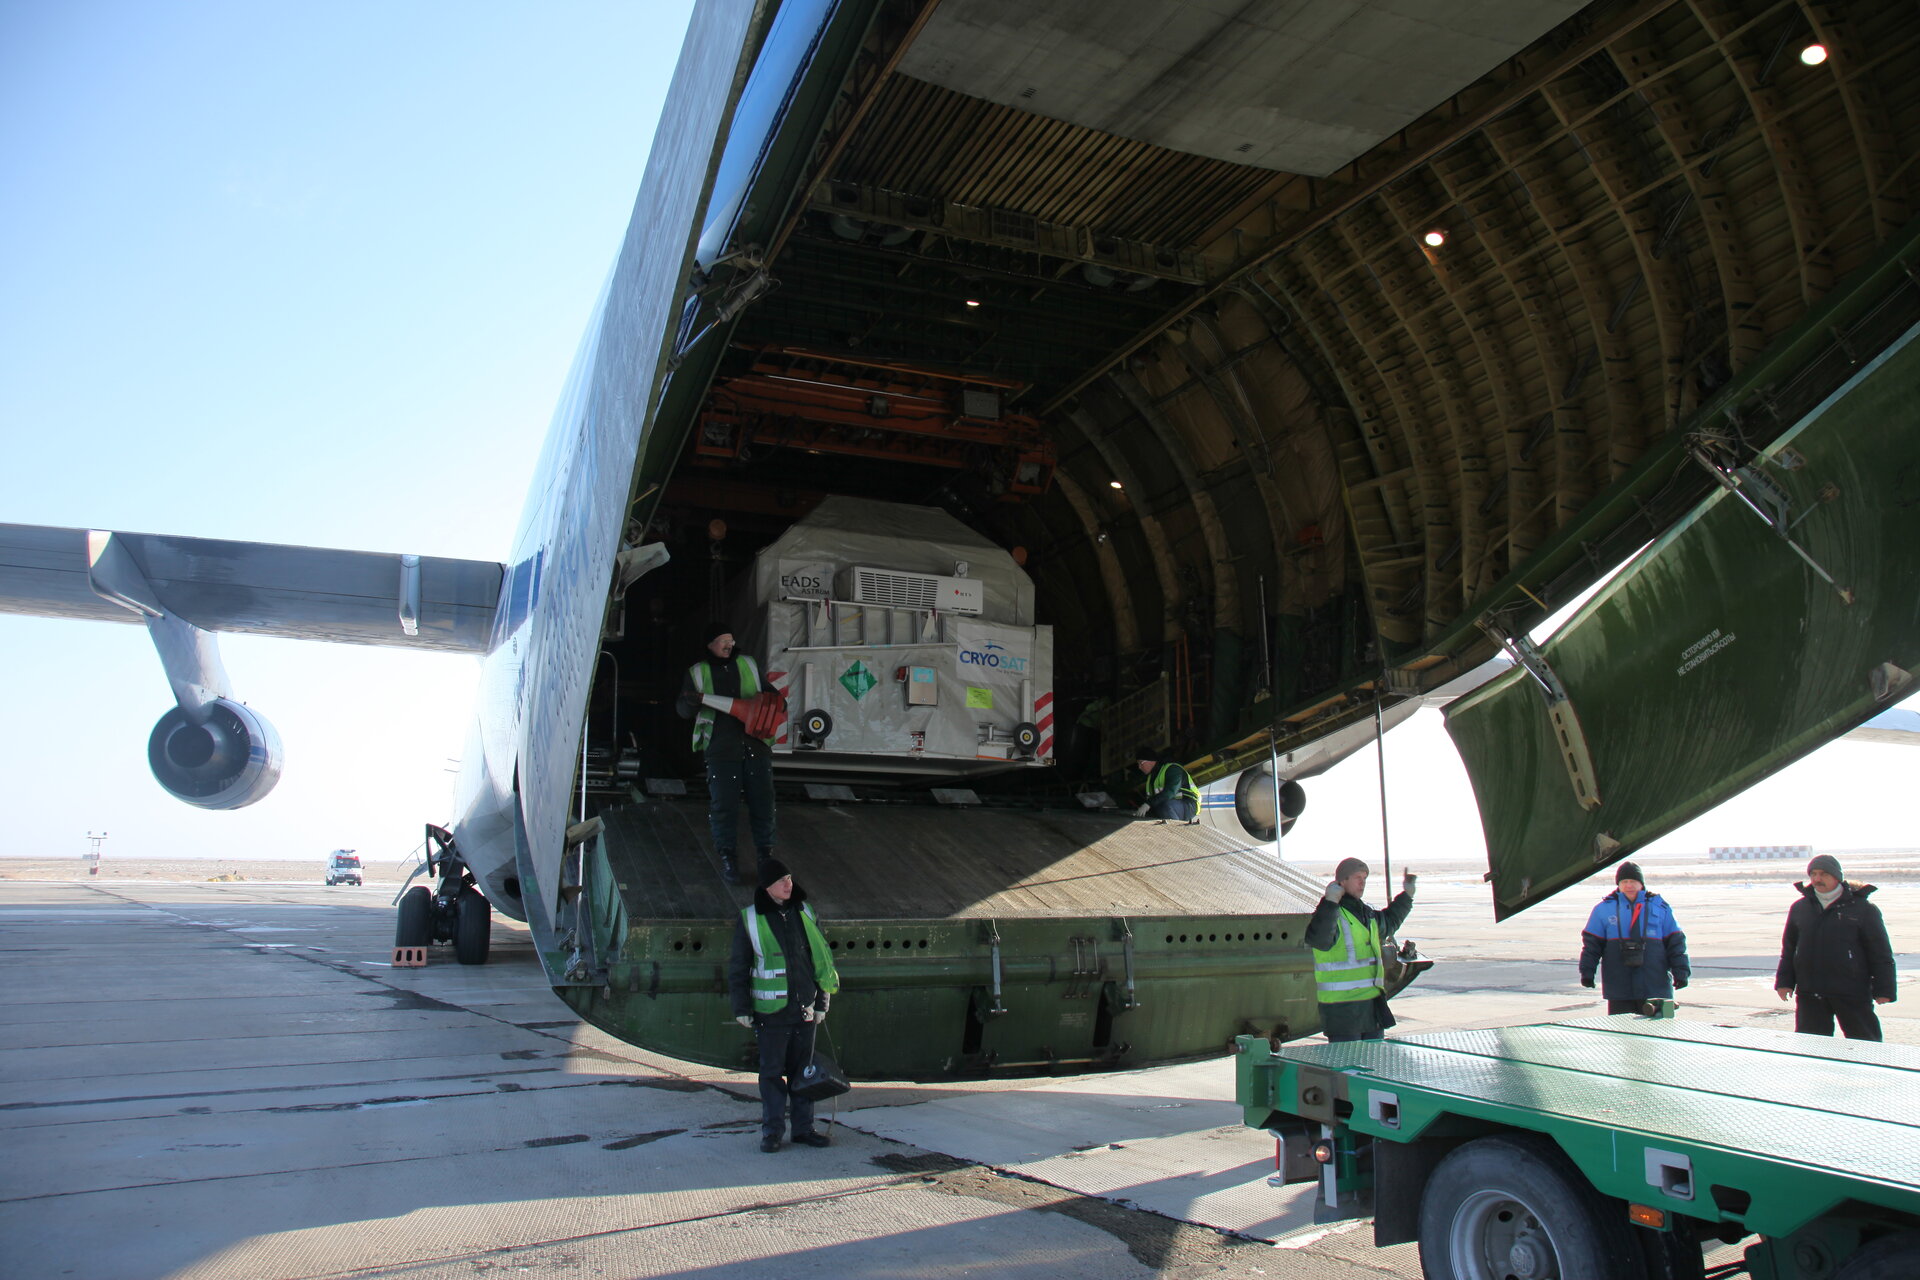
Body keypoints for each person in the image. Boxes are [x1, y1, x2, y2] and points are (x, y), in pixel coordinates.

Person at [728, 858, 839, 1152]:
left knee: (804, 1073)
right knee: (772, 1074)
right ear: (767, 887)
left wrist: (821, 1003)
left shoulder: (805, 912)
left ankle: (803, 1129)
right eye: (782, 880)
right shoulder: (750, 919)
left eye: (790, 878)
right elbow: (739, 966)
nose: (789, 884)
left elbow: (821, 961)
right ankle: (773, 1132)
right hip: (771, 1013)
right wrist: (741, 1008)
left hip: (804, 1007)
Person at [675, 621, 777, 885]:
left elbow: (773, 697)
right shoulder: (697, 672)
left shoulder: (748, 664)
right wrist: (690, 703)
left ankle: (765, 858)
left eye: (731, 640)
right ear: (710, 644)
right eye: (723, 640)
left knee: (763, 805)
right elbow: (683, 710)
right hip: (721, 750)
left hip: (756, 747)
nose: (729, 644)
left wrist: (773, 705)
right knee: (724, 808)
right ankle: (729, 859)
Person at [1775, 854, 1896, 1041]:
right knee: (1812, 1048)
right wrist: (1784, 982)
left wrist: (1884, 989)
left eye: (1823, 874)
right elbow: (1789, 949)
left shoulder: (1863, 909)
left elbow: (1880, 953)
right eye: (1813, 874)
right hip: (1810, 992)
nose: (1817, 879)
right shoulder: (1800, 908)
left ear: (1836, 877)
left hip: (1851, 991)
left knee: (1866, 1046)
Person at [1304, 856, 1415, 1042]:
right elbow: (1319, 939)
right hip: (1344, 1011)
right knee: (1349, 1067)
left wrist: (1407, 896)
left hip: (1371, 1008)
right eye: (1357, 878)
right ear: (1342, 881)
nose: (1362, 883)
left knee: (1372, 1066)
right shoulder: (1330, 914)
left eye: (1365, 878)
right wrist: (1330, 902)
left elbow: (1389, 921)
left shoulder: (1367, 915)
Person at [1577, 861, 1690, 1013]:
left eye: (1633, 881)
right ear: (1618, 884)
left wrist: (1681, 972)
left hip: (1656, 984)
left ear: (1641, 884)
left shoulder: (1660, 907)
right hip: (1619, 987)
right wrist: (1587, 973)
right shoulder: (1603, 909)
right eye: (1624, 882)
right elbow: (1591, 946)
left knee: (1662, 1030)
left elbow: (1676, 943)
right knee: (1622, 1032)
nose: (1629, 885)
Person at [1133, 745, 1200, 822]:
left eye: (1141, 763)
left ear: (1150, 761)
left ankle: (1175, 830)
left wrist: (1148, 804)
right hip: (1173, 804)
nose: (1139, 767)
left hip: (1188, 803)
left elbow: (1170, 792)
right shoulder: (1151, 778)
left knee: (1163, 806)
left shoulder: (1173, 769)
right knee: (1152, 811)